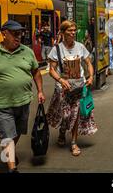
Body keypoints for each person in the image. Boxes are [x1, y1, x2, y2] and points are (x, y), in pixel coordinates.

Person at [0, 20, 45, 173]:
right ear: (3, 34)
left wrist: (40, 90)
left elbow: (36, 72)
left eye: (20, 33)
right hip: (2, 104)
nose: (18, 36)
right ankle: (12, 169)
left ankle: (7, 153)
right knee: (7, 136)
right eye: (14, 33)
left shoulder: (27, 51)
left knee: (17, 133)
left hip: (24, 101)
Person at [46, 20, 98, 157]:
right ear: (63, 33)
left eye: (74, 30)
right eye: (70, 31)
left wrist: (91, 76)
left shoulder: (80, 47)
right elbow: (52, 70)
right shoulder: (57, 49)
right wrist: (61, 80)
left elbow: (88, 62)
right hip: (63, 88)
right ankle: (62, 131)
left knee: (75, 116)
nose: (73, 33)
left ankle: (74, 142)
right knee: (66, 115)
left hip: (78, 87)